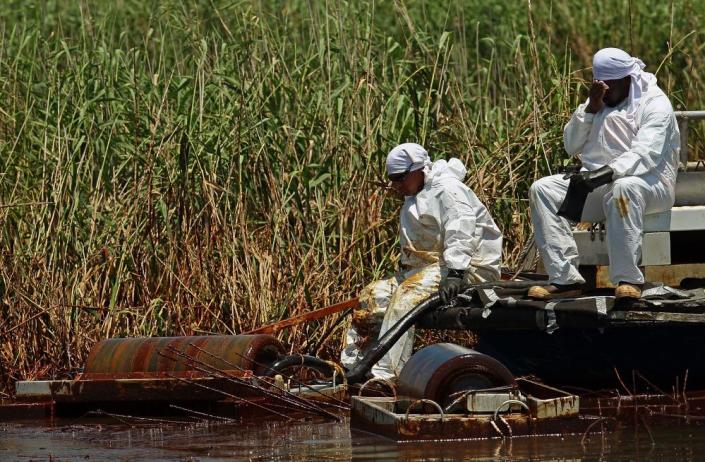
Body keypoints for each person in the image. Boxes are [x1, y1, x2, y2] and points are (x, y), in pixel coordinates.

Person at [528, 47, 680, 300]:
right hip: (601, 184)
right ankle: (565, 280)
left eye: (609, 85)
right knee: (543, 190)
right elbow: (571, 145)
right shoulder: (599, 100)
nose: (603, 90)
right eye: (599, 84)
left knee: (624, 188)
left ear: (626, 78)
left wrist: (602, 175)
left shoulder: (655, 103)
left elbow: (645, 153)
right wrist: (590, 110)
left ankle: (627, 279)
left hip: (650, 185)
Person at [340, 143, 503, 379]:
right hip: (428, 269)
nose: (395, 185)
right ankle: (356, 367)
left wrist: (456, 274)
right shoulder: (414, 193)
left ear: (417, 170)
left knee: (405, 298)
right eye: (392, 179)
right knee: (371, 297)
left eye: (399, 178)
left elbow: (461, 230)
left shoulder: (448, 190)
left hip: (468, 267)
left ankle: (386, 376)